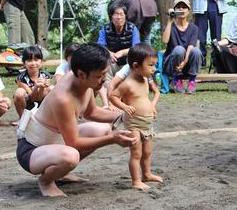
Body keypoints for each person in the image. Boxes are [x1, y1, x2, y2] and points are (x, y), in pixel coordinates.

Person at [15, 43, 138, 197]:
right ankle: (46, 181)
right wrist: (112, 139)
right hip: (31, 150)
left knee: (103, 129)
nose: (103, 81)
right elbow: (74, 143)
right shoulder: (63, 98)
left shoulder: (83, 82)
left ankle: (61, 173)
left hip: (55, 142)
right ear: (81, 74)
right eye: (99, 76)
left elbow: (91, 112)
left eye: (104, 75)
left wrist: (124, 115)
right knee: (71, 155)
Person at [108, 44, 162, 190]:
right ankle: (136, 181)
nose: (154, 69)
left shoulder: (145, 79)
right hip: (134, 124)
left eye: (155, 65)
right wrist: (124, 107)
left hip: (147, 123)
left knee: (147, 152)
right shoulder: (128, 84)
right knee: (136, 153)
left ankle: (147, 174)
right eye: (150, 65)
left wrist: (152, 105)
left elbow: (151, 95)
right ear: (136, 66)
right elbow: (112, 96)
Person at [161, 0, 202, 94]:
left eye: (184, 7)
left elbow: (191, 46)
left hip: (186, 65)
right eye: (178, 7)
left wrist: (184, 62)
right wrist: (170, 21)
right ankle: (176, 80)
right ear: (174, 10)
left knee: (196, 50)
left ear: (188, 11)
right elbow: (165, 40)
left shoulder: (193, 28)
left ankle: (192, 81)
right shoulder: (171, 26)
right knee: (179, 49)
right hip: (172, 65)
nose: (181, 10)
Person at [97, 4, 140, 85]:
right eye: (116, 14)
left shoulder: (132, 28)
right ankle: (108, 91)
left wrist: (122, 52)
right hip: (112, 61)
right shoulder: (105, 28)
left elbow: (137, 47)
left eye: (121, 14)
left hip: (128, 61)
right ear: (111, 16)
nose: (118, 17)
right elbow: (100, 45)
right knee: (104, 62)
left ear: (125, 16)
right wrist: (109, 53)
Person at [56, 42, 110, 108]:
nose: (104, 79)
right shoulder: (64, 100)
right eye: (99, 76)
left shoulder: (86, 82)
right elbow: (59, 83)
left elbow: (92, 113)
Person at [13, 45, 52, 120]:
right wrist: (37, 86)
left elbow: (41, 97)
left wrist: (42, 87)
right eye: (29, 60)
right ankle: (23, 120)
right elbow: (32, 98)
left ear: (41, 62)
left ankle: (49, 117)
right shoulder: (21, 78)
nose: (33, 63)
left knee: (52, 89)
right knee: (19, 92)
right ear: (24, 63)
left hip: (42, 104)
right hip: (28, 104)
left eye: (36, 60)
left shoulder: (45, 75)